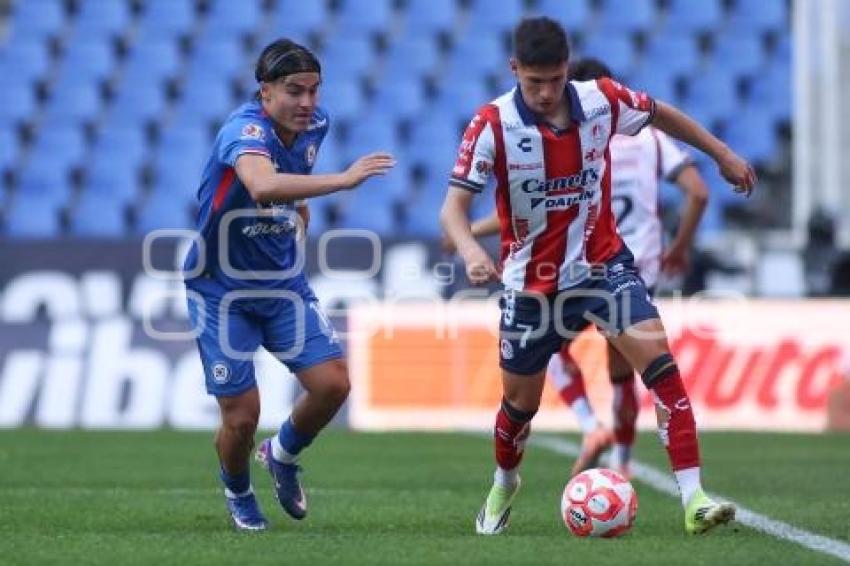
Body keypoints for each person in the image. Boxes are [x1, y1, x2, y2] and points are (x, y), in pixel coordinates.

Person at [439, 17, 755, 536]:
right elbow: (452, 209)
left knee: (663, 369)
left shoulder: (601, 100)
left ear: (568, 70)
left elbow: (662, 114)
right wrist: (473, 249)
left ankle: (694, 497)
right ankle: (504, 482)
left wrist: (720, 153)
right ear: (514, 69)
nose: (544, 93)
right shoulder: (490, 125)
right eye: (533, 81)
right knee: (519, 406)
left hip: (604, 267)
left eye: (555, 80)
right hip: (531, 284)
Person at [453, 57, 711, 480]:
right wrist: (679, 246)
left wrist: (472, 231)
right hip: (631, 266)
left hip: (582, 266)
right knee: (626, 374)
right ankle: (623, 464)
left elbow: (542, 210)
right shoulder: (650, 141)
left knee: (551, 353)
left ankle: (591, 426)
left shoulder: (571, 139)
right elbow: (697, 192)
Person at [183, 38, 395, 531]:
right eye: (295, 91)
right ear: (265, 92)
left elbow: (290, 176)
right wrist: (342, 181)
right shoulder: (243, 130)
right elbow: (261, 183)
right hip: (220, 290)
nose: (307, 102)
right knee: (241, 416)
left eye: (314, 90)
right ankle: (238, 492)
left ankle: (280, 454)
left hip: (282, 283)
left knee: (333, 384)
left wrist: (299, 210)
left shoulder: (316, 125)